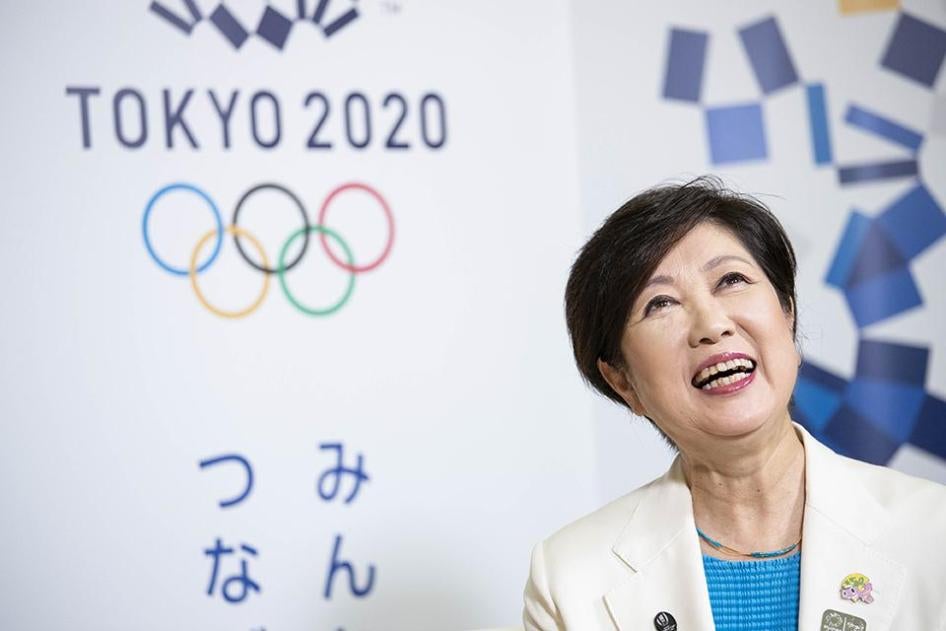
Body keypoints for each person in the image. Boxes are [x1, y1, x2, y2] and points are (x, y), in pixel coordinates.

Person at [522, 177, 946, 631]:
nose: (711, 323)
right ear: (623, 381)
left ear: (787, 315)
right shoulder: (571, 579)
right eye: (660, 303)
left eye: (731, 280)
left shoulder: (933, 531)